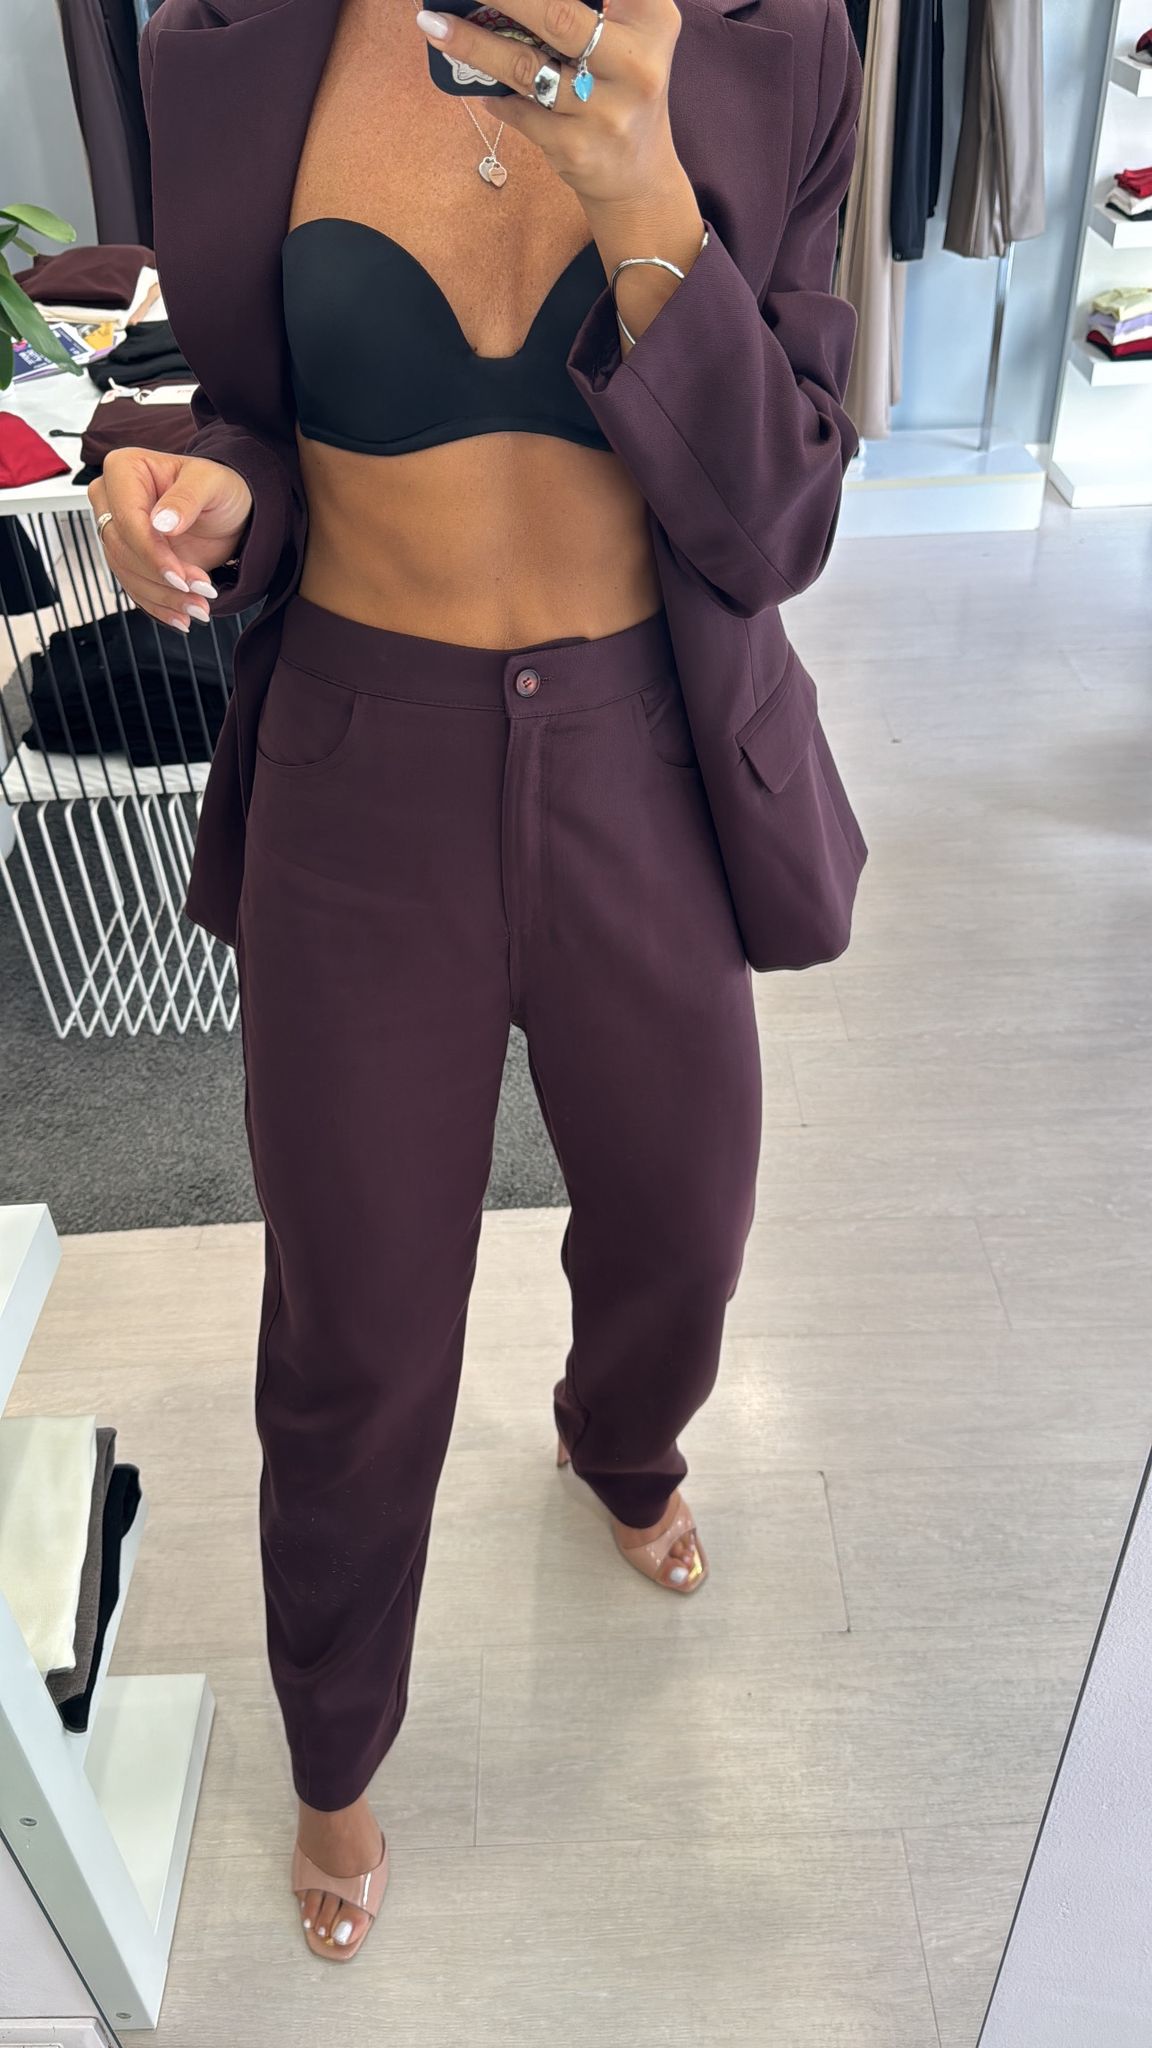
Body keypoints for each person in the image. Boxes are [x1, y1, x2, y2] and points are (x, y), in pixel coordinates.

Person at [90, 0, 863, 1966]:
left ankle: (624, 1438)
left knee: (687, 1217)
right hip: (361, 763)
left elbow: (779, 519)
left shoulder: (779, 42)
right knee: (353, 1334)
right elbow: (227, 406)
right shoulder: (235, 44)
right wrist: (189, 486)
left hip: (645, 755)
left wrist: (639, 188)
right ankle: (335, 1751)